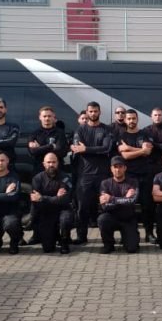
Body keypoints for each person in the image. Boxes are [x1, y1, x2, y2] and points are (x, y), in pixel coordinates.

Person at [70, 101, 112, 244]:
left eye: (95, 111)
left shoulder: (106, 130)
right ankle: (81, 237)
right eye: (90, 111)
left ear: (100, 112)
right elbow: (77, 149)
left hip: (103, 175)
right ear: (86, 113)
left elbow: (106, 148)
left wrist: (86, 149)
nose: (93, 113)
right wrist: (95, 149)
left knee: (106, 207)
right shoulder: (80, 130)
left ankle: (108, 238)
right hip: (85, 176)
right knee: (82, 208)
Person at [26, 106, 69, 245]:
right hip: (38, 172)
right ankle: (35, 234)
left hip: (56, 173)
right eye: (44, 116)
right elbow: (32, 152)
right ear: (40, 117)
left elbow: (61, 151)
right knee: (36, 202)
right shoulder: (34, 133)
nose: (47, 118)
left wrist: (40, 148)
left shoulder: (60, 133)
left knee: (58, 199)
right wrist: (50, 147)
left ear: (54, 117)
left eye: (49, 116)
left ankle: (60, 233)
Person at [116, 108, 154, 242]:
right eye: (129, 118)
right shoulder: (122, 136)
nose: (131, 121)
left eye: (134, 118)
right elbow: (125, 156)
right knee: (128, 206)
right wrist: (141, 150)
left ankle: (149, 233)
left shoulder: (144, 134)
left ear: (137, 119)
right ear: (125, 120)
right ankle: (127, 233)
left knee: (147, 206)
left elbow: (148, 152)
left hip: (145, 174)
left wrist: (131, 148)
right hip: (129, 176)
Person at [30, 152, 74, 254]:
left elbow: (64, 199)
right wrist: (55, 198)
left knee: (66, 219)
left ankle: (64, 242)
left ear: (58, 163)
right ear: (44, 164)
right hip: (46, 212)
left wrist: (43, 198)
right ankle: (54, 236)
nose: (51, 164)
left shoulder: (65, 177)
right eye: (48, 162)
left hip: (62, 209)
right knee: (48, 249)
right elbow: (35, 200)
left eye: (53, 162)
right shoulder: (37, 179)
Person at [143, 107, 162, 242]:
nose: (157, 117)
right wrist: (158, 146)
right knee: (148, 204)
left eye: (160, 115)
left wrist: (154, 145)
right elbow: (146, 148)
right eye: (155, 115)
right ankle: (148, 233)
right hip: (148, 170)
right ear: (151, 116)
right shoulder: (145, 131)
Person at [98, 156, 140, 254]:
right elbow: (105, 206)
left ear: (125, 168)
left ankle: (131, 236)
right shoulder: (105, 183)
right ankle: (108, 245)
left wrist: (111, 199)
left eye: (120, 166)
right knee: (102, 219)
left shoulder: (133, 182)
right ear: (111, 169)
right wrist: (125, 199)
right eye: (115, 167)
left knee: (132, 249)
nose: (117, 169)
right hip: (111, 217)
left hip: (128, 219)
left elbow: (132, 201)